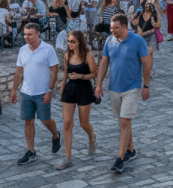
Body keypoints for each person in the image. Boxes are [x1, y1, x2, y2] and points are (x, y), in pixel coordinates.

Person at [94, 14, 151, 174]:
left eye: (116, 28)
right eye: (111, 28)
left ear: (125, 27)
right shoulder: (109, 41)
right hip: (114, 87)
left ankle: (119, 159)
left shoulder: (138, 41)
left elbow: (146, 63)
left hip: (132, 87)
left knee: (125, 122)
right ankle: (131, 150)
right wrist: (98, 85)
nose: (112, 31)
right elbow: (104, 62)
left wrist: (146, 85)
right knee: (123, 121)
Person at [11, 22, 61, 166]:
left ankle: (56, 135)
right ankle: (31, 152)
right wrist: (14, 90)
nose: (26, 37)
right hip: (26, 92)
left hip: (42, 92)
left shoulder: (48, 49)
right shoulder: (22, 50)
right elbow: (19, 72)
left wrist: (50, 90)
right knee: (28, 121)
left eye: (29, 34)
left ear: (38, 34)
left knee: (45, 120)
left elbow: (54, 71)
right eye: (25, 34)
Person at [56, 30, 97, 170]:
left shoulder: (88, 56)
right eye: (68, 41)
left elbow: (94, 73)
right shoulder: (68, 55)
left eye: (73, 41)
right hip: (70, 90)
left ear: (79, 41)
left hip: (84, 90)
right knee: (67, 123)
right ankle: (68, 157)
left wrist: (81, 76)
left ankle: (92, 136)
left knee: (83, 123)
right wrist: (62, 92)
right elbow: (65, 75)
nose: (70, 44)